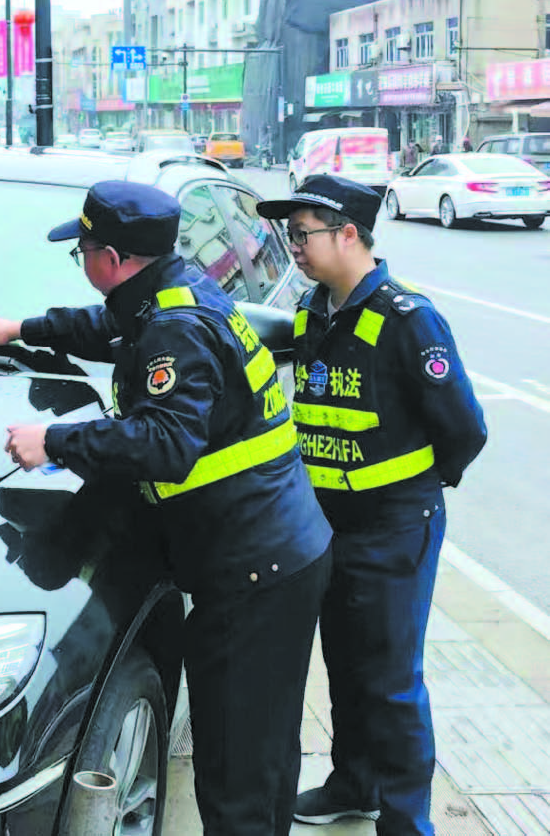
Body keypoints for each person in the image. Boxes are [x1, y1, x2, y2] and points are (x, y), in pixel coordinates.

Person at [0, 182, 333, 836]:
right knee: (262, 746)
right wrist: (19, 329)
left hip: (253, 571)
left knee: (235, 761)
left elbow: (166, 443)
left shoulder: (175, 330)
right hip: (277, 550)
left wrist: (54, 440)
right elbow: (106, 325)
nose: (80, 260)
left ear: (111, 258)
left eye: (81, 250)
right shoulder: (169, 291)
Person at [256, 175, 487, 835]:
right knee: (346, 665)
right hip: (328, 526)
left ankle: (406, 820)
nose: (293, 247)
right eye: (289, 235)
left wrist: (408, 493)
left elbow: (464, 429)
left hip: (394, 528)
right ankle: (353, 783)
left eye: (302, 234)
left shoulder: (408, 320)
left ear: (348, 234)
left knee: (390, 680)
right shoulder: (313, 311)